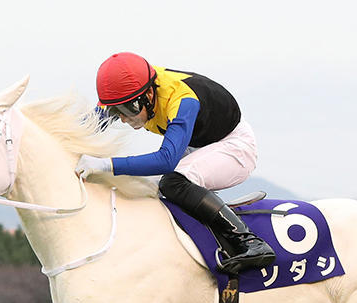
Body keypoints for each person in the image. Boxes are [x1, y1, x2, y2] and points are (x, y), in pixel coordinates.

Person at [74, 52, 275, 275]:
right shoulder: (133, 92)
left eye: (127, 110)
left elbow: (166, 161)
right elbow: (84, 127)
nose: (122, 118)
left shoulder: (182, 99)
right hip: (199, 145)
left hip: (234, 147)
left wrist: (106, 164)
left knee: (173, 182)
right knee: (138, 188)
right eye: (115, 111)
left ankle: (249, 242)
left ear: (149, 93)